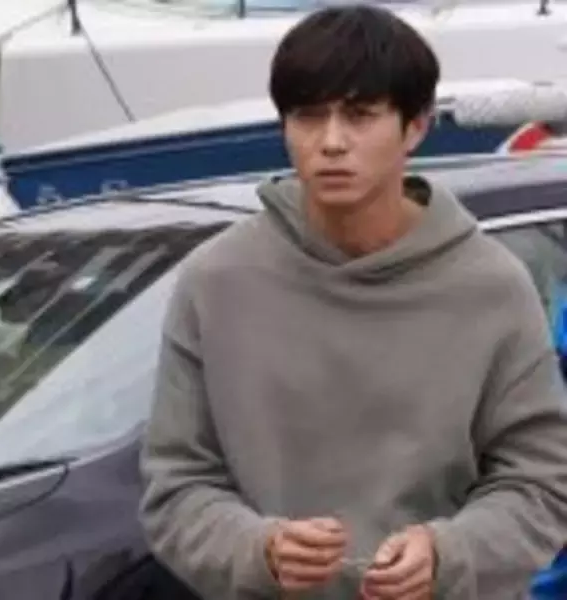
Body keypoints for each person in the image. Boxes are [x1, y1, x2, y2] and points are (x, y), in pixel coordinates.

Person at [139, 4, 567, 599]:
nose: (332, 142)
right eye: (308, 117)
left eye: (360, 116)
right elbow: (176, 488)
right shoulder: (216, 282)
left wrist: (447, 554)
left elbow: (541, 484)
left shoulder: (492, 287)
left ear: (415, 127)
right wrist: (258, 549)